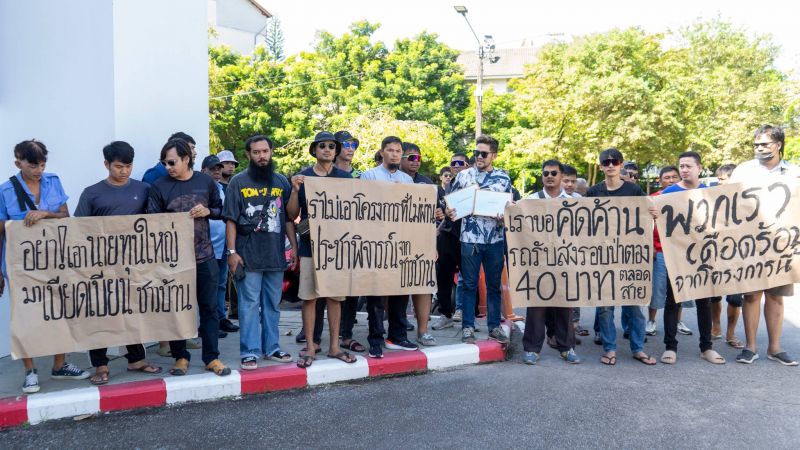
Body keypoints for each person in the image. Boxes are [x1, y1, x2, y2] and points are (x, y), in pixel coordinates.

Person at [0, 139, 90, 393]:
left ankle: (59, 365)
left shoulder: (53, 181)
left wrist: (45, 214)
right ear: (18, 162)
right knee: (25, 318)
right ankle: (30, 371)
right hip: (22, 268)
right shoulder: (6, 191)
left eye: (42, 164)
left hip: (55, 262)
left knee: (61, 312)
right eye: (32, 165)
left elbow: (65, 216)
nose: (38, 169)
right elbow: (0, 233)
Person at [74, 141, 163, 385]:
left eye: (128, 166)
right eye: (118, 166)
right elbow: (78, 229)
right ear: (106, 164)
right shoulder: (91, 193)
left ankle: (136, 358)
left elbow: (156, 223)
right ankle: (100, 365)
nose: (124, 171)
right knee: (99, 314)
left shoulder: (145, 189)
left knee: (133, 312)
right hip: (99, 266)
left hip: (135, 264)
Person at [147, 138, 231, 377]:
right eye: (164, 163)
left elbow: (222, 211)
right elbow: (151, 221)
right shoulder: (159, 186)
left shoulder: (206, 182)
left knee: (209, 307)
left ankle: (211, 357)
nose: (168, 167)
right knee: (176, 309)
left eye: (172, 162)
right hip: (173, 260)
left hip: (204, 256)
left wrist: (207, 211)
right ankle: (180, 357)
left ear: (187, 159)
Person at [224, 135, 295, 370]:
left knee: (273, 304)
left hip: (275, 255)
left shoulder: (281, 181)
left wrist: (293, 247)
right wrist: (232, 252)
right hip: (248, 255)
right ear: (248, 155)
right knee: (249, 304)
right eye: (256, 152)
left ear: (271, 152)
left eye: (265, 151)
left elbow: (287, 219)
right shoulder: (238, 182)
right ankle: (250, 351)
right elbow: (231, 220)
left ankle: (272, 347)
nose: (262, 156)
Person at [287, 131, 358, 367]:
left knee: (335, 297)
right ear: (314, 150)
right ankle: (310, 345)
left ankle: (334, 347)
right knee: (309, 297)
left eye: (331, 146)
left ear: (335, 151)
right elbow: (292, 214)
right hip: (310, 245)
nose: (327, 149)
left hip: (337, 247)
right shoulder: (303, 178)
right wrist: (295, 190)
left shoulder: (345, 179)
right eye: (322, 146)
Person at [730, 125, 799, 366]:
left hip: (781, 245)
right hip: (750, 244)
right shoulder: (743, 171)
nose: (759, 148)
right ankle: (750, 347)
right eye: (756, 144)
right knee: (751, 295)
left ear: (778, 145)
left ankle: (775, 348)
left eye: (765, 144)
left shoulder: (794, 172)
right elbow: (727, 201)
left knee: (776, 296)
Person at [652, 151, 725, 365]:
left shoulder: (710, 193)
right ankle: (670, 347)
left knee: (705, 301)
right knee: (673, 301)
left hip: (704, 256)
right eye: (681, 166)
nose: (684, 170)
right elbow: (653, 221)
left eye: (688, 166)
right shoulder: (667, 193)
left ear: (699, 168)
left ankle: (706, 347)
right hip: (676, 256)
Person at [587, 148, 656, 366]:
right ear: (600, 166)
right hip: (602, 256)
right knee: (605, 307)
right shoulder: (593, 192)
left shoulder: (634, 190)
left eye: (614, 161)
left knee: (634, 305)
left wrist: (653, 214)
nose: (610, 165)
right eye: (605, 162)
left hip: (630, 257)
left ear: (621, 164)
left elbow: (644, 220)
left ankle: (638, 348)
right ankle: (609, 349)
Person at [445, 135, 512, 345]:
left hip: (495, 239)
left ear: (494, 155)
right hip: (469, 238)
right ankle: (467, 327)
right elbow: (451, 203)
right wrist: (449, 210)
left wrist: (505, 214)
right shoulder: (464, 175)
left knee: (493, 286)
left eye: (483, 153)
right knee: (469, 285)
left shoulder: (503, 178)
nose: (479, 157)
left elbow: (509, 207)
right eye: (476, 153)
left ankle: (494, 327)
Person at [360, 136, 421, 356]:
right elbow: (362, 207)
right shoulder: (368, 176)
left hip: (401, 243)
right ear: (382, 152)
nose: (394, 154)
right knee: (376, 295)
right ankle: (375, 340)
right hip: (376, 242)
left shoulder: (407, 180)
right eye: (390, 150)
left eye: (398, 151)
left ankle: (397, 336)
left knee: (400, 291)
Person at [522, 160, 580, 364]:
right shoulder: (530, 200)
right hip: (538, 262)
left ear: (561, 176)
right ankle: (532, 349)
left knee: (565, 306)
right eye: (545, 173)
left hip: (565, 261)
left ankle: (567, 347)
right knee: (536, 305)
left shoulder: (576, 201)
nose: (549, 176)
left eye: (553, 173)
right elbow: (518, 226)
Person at [400, 142, 436, 346]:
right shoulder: (393, 181)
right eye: (412, 157)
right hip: (395, 241)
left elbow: (437, 213)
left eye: (419, 158)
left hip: (421, 241)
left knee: (423, 285)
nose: (416, 161)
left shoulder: (427, 183)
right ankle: (399, 325)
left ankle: (423, 331)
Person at [432, 152, 471, 330]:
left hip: (467, 236)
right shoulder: (448, 185)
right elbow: (444, 212)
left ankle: (468, 320)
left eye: (460, 162)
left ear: (467, 165)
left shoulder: (473, 183)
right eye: (453, 162)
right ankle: (445, 314)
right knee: (443, 277)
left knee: (468, 279)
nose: (456, 165)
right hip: (447, 235)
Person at [201, 155, 239, 336]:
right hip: (206, 247)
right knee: (209, 286)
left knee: (221, 284)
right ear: (203, 170)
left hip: (223, 245)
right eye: (212, 169)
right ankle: (209, 324)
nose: (216, 172)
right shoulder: (199, 187)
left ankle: (220, 318)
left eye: (218, 168)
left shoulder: (221, 188)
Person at [712, 164, 744, 350]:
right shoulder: (711, 197)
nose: (719, 182)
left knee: (735, 298)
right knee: (713, 295)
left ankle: (730, 333)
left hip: (738, 256)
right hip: (715, 253)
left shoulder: (745, 198)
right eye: (719, 178)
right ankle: (715, 327)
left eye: (723, 179)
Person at [645, 165, 680, 336]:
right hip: (659, 250)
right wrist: (650, 245)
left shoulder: (686, 198)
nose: (671, 180)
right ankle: (651, 320)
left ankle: (678, 321)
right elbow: (645, 226)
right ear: (660, 180)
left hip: (680, 251)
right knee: (657, 288)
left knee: (680, 289)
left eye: (675, 177)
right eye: (667, 177)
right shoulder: (653, 199)